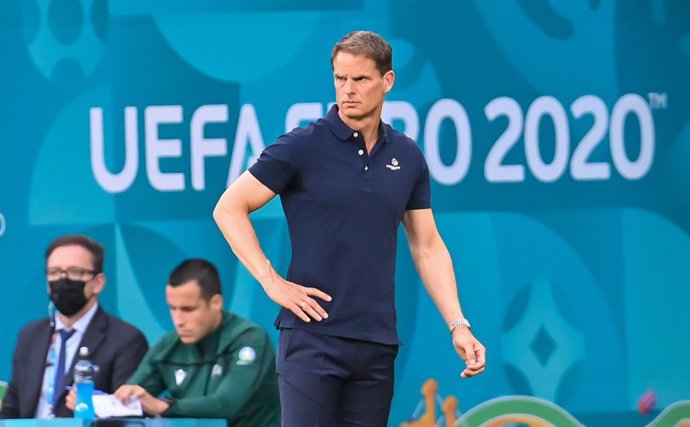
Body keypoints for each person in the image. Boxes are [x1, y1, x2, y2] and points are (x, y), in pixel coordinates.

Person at [213, 30, 486, 425]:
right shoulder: (302, 145)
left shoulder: (407, 155)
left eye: (360, 79)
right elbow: (229, 208)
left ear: (387, 81)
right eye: (341, 79)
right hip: (311, 342)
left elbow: (427, 246)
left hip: (376, 345)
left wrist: (458, 325)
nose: (348, 90)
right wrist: (272, 281)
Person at [110, 258, 280, 427]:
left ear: (215, 303)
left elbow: (226, 404)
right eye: (172, 308)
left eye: (188, 309)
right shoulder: (169, 346)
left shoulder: (250, 339)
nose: (178, 320)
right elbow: (129, 397)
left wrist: (164, 407)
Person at [0, 234, 148, 419]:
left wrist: (96, 406)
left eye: (74, 272)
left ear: (98, 283)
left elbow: (127, 414)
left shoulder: (126, 340)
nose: (62, 280)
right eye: (54, 272)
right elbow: (11, 411)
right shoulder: (30, 335)